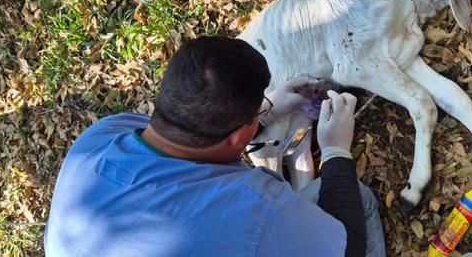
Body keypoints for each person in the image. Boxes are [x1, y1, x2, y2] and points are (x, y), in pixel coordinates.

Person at [44, 36, 386, 257]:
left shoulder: (102, 136)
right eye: (259, 113)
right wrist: (335, 151)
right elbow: (349, 249)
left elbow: (192, 138)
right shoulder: (254, 207)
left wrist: (265, 113)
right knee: (360, 200)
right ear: (239, 138)